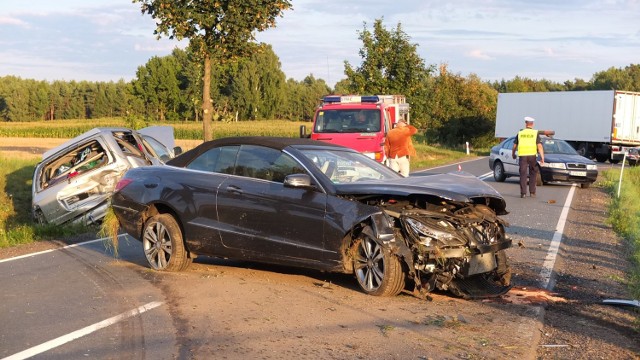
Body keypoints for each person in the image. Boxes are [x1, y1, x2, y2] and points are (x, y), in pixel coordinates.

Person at [512, 116, 545, 198]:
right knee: (533, 173)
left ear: (526, 123)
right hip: (532, 156)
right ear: (532, 124)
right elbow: (540, 146)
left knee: (523, 173)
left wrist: (513, 153)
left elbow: (514, 145)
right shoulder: (535, 133)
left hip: (523, 156)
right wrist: (542, 158)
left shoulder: (520, 133)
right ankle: (532, 192)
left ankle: (523, 193)